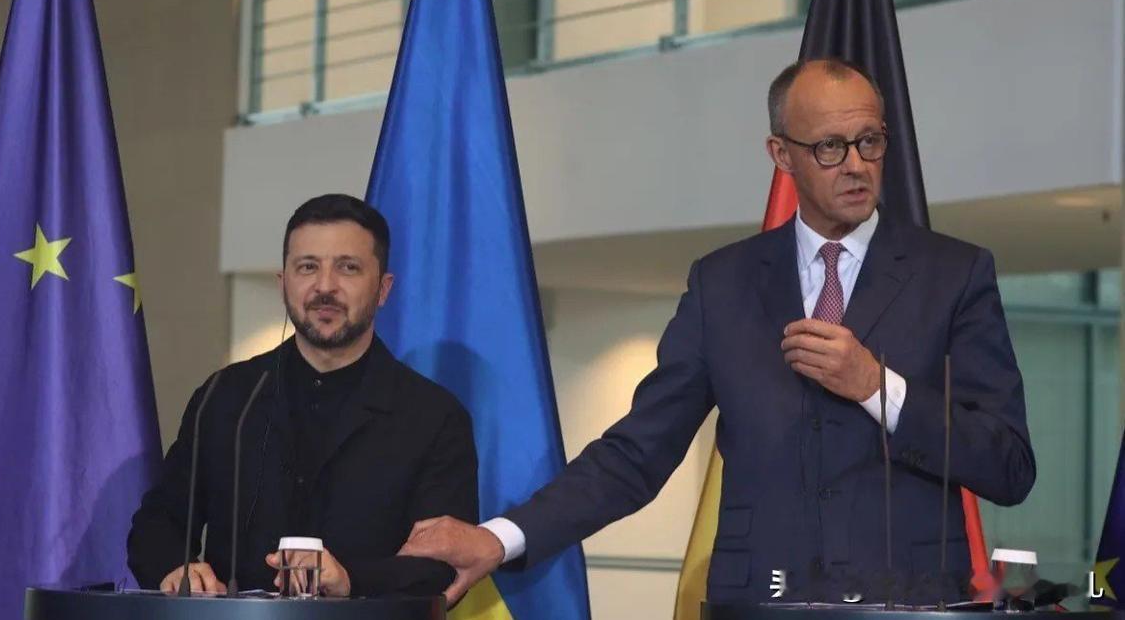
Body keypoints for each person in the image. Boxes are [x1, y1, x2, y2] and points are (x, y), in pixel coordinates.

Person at [397, 58, 1036, 604]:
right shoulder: (722, 283)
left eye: (870, 141)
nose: (855, 165)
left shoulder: (954, 274)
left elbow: (1009, 467)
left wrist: (878, 388)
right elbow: (637, 453)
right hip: (757, 603)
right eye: (829, 147)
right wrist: (500, 538)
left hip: (911, 602)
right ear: (781, 154)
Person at [128, 194, 478, 597]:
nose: (325, 287)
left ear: (383, 289)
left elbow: (440, 567)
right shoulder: (226, 396)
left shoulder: (434, 416)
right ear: (283, 283)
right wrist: (176, 568)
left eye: (348, 267)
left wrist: (351, 580)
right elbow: (159, 522)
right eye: (308, 267)